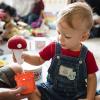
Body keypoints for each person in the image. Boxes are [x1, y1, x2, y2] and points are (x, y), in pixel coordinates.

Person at [21, 2, 100, 100]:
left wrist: (89, 98)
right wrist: (24, 56)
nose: (60, 38)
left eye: (67, 36)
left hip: (77, 94)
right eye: (58, 32)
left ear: (83, 37)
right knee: (31, 91)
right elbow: (38, 59)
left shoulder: (87, 55)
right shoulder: (53, 47)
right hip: (52, 90)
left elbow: (92, 77)